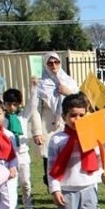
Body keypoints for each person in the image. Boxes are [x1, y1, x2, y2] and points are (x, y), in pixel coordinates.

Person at [46, 93, 105, 209]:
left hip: (88, 187)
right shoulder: (57, 140)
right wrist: (55, 189)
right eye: (72, 115)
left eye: (81, 115)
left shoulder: (92, 135)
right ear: (64, 116)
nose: (77, 119)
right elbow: (52, 168)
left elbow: (100, 161)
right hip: (67, 190)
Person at [30, 54, 80, 185]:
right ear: (45, 65)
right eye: (50, 63)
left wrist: (68, 92)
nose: (54, 65)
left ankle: (66, 185)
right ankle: (52, 185)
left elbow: (80, 103)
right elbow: (35, 109)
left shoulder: (69, 81)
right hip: (48, 126)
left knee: (69, 157)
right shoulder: (39, 84)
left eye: (56, 62)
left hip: (67, 125)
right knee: (49, 159)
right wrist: (37, 132)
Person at [3, 88, 34, 209]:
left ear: (19, 104)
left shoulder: (23, 116)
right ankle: (13, 205)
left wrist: (34, 88)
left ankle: (28, 202)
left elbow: (32, 104)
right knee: (10, 182)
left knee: (25, 181)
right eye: (8, 104)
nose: (11, 107)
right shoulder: (2, 119)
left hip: (23, 153)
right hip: (8, 156)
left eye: (14, 104)